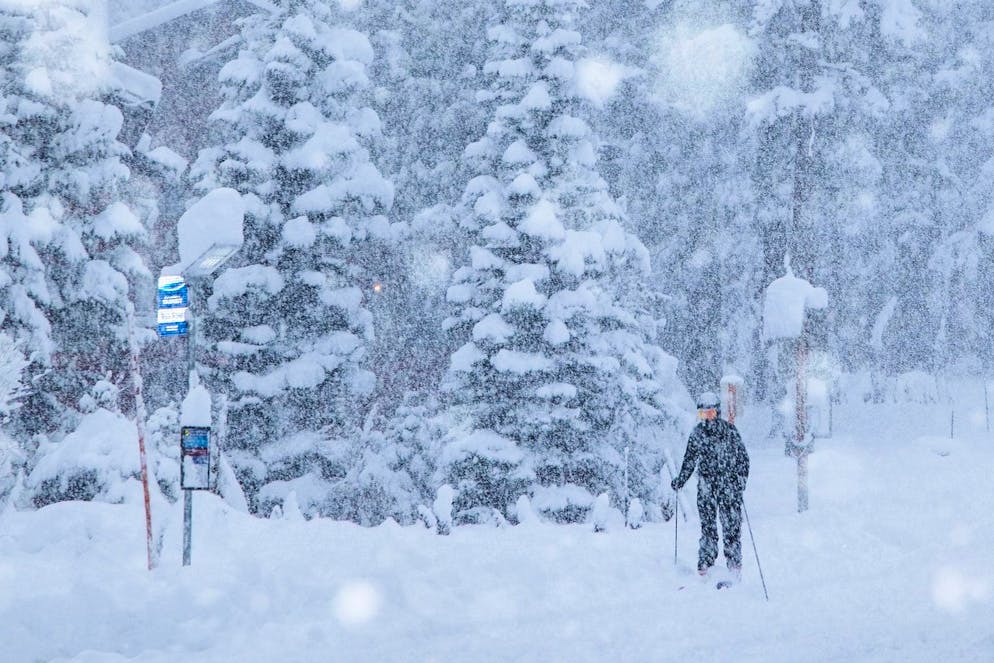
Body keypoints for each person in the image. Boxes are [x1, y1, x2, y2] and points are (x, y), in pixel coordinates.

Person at [671, 392, 750, 578]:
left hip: (728, 486)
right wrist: (681, 480)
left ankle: (734, 564)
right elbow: (690, 459)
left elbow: (743, 460)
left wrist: (740, 482)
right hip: (706, 486)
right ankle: (706, 562)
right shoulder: (697, 434)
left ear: (718, 413)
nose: (707, 419)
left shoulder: (730, 432)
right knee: (708, 527)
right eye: (703, 415)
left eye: (711, 414)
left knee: (731, 526)